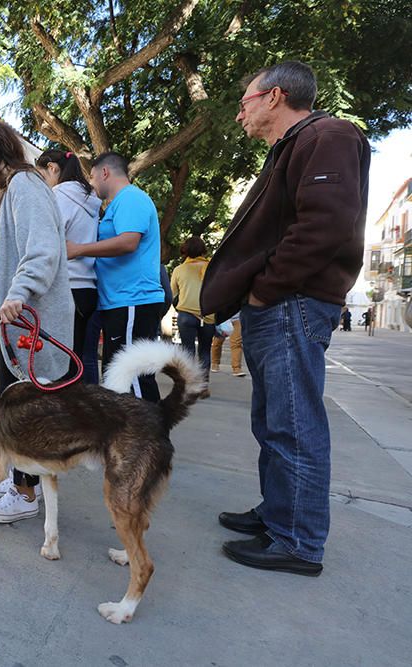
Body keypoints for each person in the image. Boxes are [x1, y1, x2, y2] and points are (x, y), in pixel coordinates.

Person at [200, 60, 371, 575]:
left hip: (290, 303)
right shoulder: (301, 145)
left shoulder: (329, 135)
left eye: (245, 102)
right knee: (274, 421)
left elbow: (325, 226)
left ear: (274, 97)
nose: (240, 115)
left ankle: (297, 540)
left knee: (293, 424)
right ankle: (279, 513)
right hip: (280, 303)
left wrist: (265, 291)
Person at [0, 122, 73, 524]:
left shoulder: (25, 187)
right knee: (23, 412)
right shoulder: (23, 188)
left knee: (24, 415)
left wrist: (16, 294)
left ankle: (25, 494)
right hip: (28, 324)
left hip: (35, 325)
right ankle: (24, 488)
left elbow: (42, 250)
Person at [70, 152, 166, 402]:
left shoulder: (131, 199)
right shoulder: (120, 203)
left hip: (132, 301)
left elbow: (128, 242)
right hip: (122, 303)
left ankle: (146, 438)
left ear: (105, 173)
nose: (91, 184)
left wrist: (78, 249)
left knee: (131, 375)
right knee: (122, 376)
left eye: (91, 177)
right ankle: (140, 437)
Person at [35, 149, 101, 381]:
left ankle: (68, 415)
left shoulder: (59, 196)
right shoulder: (90, 200)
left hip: (66, 289)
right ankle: (88, 414)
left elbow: (48, 241)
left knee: (61, 365)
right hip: (89, 289)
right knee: (83, 361)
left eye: (41, 175)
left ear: (52, 168)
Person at [171, 236, 215, 398]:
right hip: (208, 314)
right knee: (204, 350)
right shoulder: (212, 268)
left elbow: (172, 294)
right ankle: (202, 386)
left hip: (185, 315)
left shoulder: (179, 270)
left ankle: (189, 385)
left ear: (185, 251)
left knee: (187, 350)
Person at [211, 312, 245, 377]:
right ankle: (215, 363)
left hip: (237, 318)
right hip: (223, 319)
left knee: (237, 342)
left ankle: (237, 368)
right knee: (218, 341)